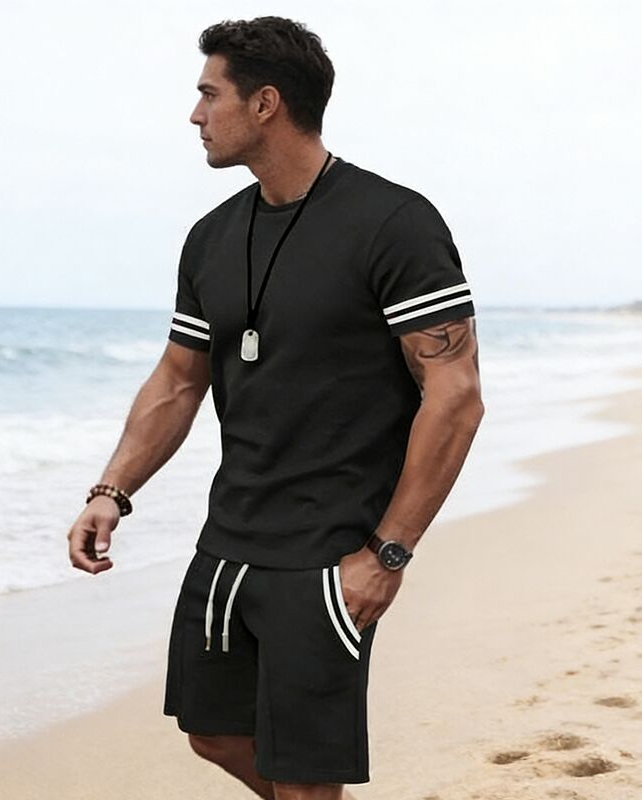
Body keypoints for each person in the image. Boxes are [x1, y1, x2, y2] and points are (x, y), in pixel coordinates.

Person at [67, 15, 484, 800]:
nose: (195, 114)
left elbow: (455, 397)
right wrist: (112, 489)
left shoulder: (393, 223)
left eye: (209, 94)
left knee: (304, 776)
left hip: (331, 548)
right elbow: (179, 379)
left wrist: (387, 555)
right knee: (213, 732)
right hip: (231, 537)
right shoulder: (212, 237)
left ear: (265, 103)